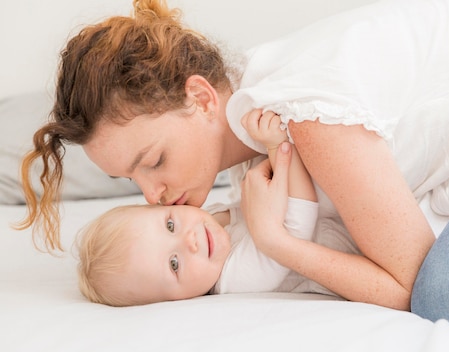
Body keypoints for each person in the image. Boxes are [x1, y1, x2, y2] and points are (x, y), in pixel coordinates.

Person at [17, 0, 449, 324]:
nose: (152, 194)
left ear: (201, 97)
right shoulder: (252, 151)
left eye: (153, 160)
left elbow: (416, 285)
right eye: (131, 181)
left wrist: (278, 244)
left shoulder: (299, 113)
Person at [76, 111, 339, 306]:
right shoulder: (235, 278)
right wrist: (277, 148)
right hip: (350, 248)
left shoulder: (209, 223)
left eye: (170, 225)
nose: (189, 240)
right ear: (172, 300)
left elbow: (252, 203)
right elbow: (297, 225)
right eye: (174, 264)